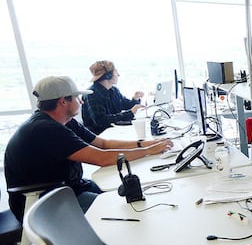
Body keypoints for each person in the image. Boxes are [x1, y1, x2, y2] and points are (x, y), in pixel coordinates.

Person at [4, 76, 173, 220]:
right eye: (77, 97)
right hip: (42, 201)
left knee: (119, 196)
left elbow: (103, 144)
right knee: (118, 211)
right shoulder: (45, 129)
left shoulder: (64, 121)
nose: (82, 101)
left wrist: (144, 144)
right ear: (63, 101)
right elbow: (101, 157)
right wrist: (148, 152)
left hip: (67, 188)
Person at [82, 60, 145, 134]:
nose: (118, 74)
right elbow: (101, 121)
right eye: (116, 72)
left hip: (114, 131)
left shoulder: (114, 90)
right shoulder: (91, 94)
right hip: (100, 136)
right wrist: (129, 113)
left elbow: (126, 105)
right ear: (108, 75)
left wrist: (135, 99)